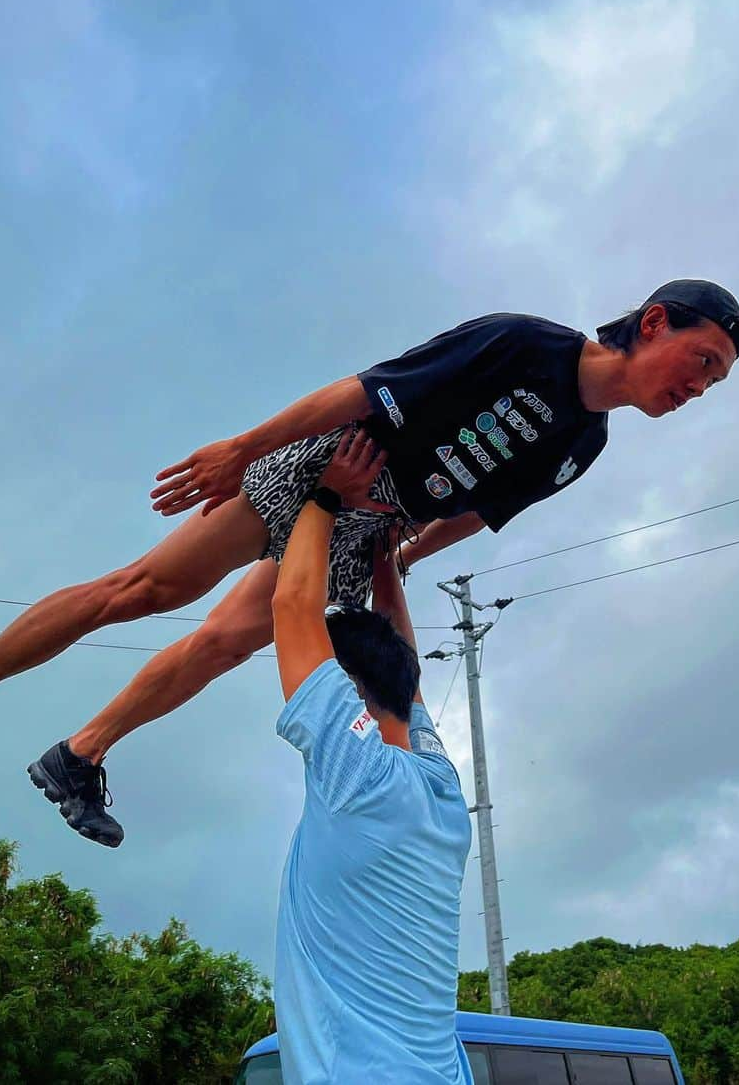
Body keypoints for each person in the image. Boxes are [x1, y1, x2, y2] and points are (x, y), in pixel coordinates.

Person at [0, 280, 739, 846]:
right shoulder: (523, 344)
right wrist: (246, 446)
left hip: (372, 526)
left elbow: (477, 512)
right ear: (652, 324)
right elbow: (364, 389)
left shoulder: (584, 443)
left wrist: (400, 554)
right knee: (146, 590)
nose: (700, 388)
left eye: (716, 382)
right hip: (335, 465)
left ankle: (80, 756)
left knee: (226, 643)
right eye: (701, 361)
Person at [270, 430, 474, 1084]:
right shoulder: (439, 790)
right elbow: (404, 671)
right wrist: (386, 561)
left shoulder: (358, 773)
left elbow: (291, 606)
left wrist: (327, 495)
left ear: (349, 688)